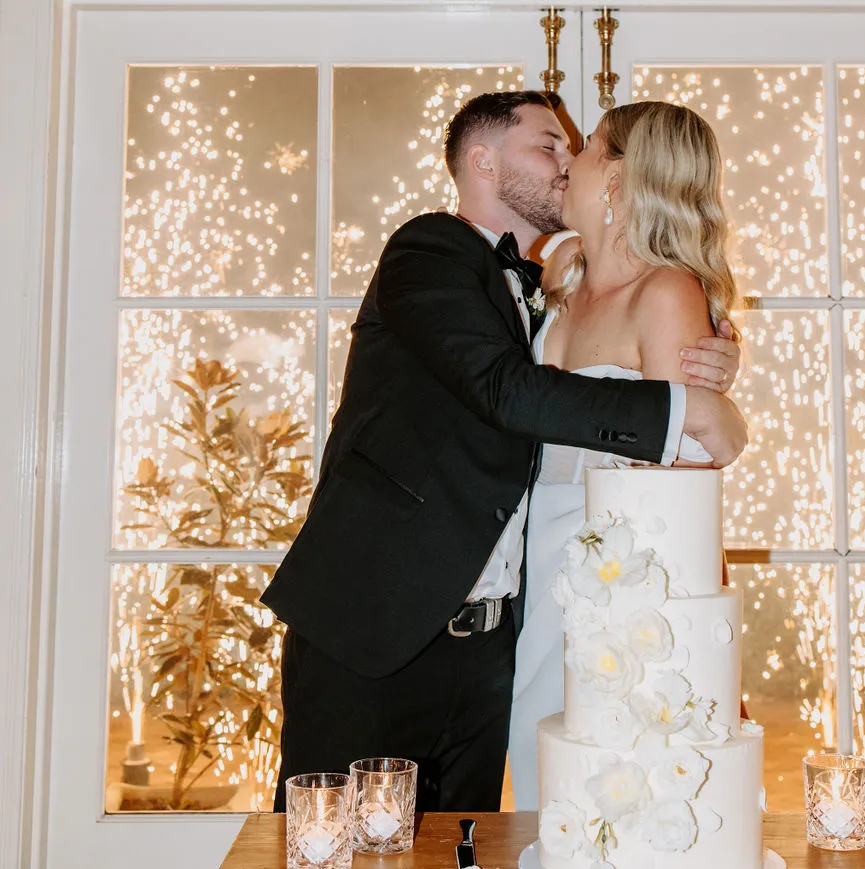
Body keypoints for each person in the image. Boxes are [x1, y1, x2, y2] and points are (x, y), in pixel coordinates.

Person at [262, 91, 745, 814]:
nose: (565, 163)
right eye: (548, 145)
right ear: (483, 162)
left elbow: (668, 465)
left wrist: (712, 384)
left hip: (513, 629)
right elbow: (506, 391)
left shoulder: (559, 283)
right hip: (382, 625)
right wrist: (684, 408)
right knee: (338, 865)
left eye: (576, 149)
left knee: (477, 865)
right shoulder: (433, 251)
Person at [508, 99, 741, 810]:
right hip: (529, 554)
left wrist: (724, 408)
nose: (568, 162)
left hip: (615, 576)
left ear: (616, 178)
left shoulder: (667, 293)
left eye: (584, 148)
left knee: (599, 780)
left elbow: (690, 463)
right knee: (536, 762)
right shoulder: (560, 273)